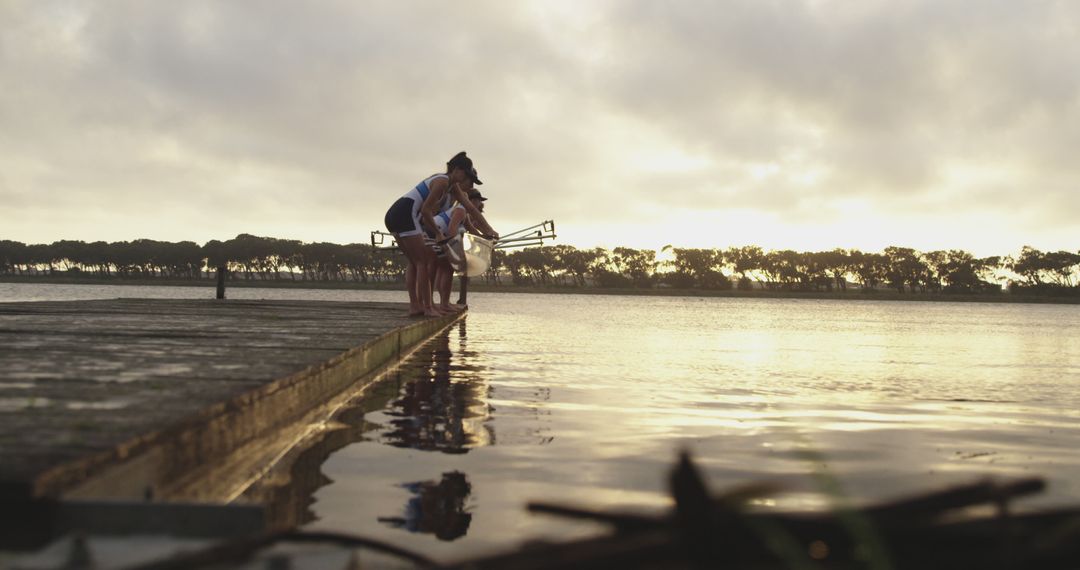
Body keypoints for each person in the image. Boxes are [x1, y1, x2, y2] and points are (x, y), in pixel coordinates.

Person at [384, 152, 496, 317]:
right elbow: (426, 210)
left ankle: (416, 306)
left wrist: (489, 230)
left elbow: (470, 208)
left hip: (395, 214)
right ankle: (428, 307)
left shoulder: (452, 187)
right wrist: (438, 234)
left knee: (415, 262)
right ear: (457, 170)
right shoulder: (442, 181)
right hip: (404, 213)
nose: (468, 181)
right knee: (421, 261)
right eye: (467, 175)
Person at [429, 189, 493, 312]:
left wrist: (487, 240)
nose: (480, 205)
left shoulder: (464, 212)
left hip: (440, 237)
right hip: (435, 236)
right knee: (447, 269)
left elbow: (473, 230)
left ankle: (444, 302)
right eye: (479, 201)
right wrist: (455, 250)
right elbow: (452, 229)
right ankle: (444, 303)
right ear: (473, 201)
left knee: (444, 269)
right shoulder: (461, 210)